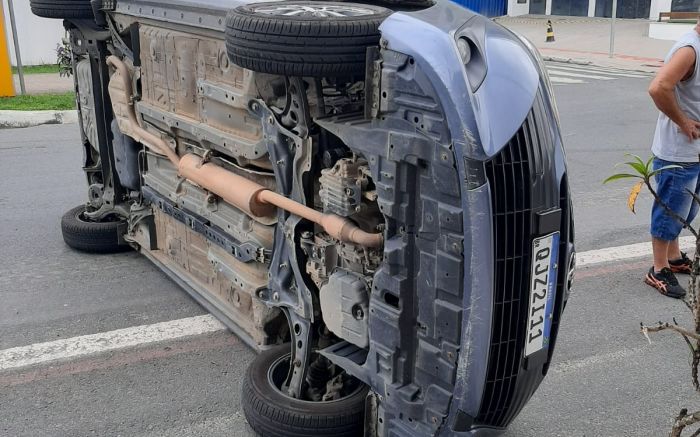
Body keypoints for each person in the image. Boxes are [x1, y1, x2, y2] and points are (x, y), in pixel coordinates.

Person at [646, 18, 700, 298]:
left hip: (694, 152)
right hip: (679, 152)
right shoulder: (689, 50)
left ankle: (675, 258)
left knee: (686, 211)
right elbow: (658, 88)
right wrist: (683, 121)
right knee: (670, 211)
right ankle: (658, 269)